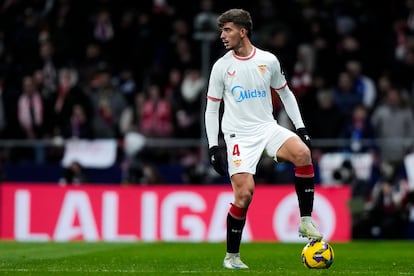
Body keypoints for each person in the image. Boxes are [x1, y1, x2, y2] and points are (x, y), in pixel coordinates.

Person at [204, 9, 322, 269]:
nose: (223, 35)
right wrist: (213, 145)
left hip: (267, 128)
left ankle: (305, 219)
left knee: (302, 153)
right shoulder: (221, 66)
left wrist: (301, 128)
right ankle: (231, 256)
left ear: (243, 31)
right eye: (222, 30)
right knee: (244, 195)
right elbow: (212, 109)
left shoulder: (268, 61)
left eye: (228, 30)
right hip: (238, 136)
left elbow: (286, 94)